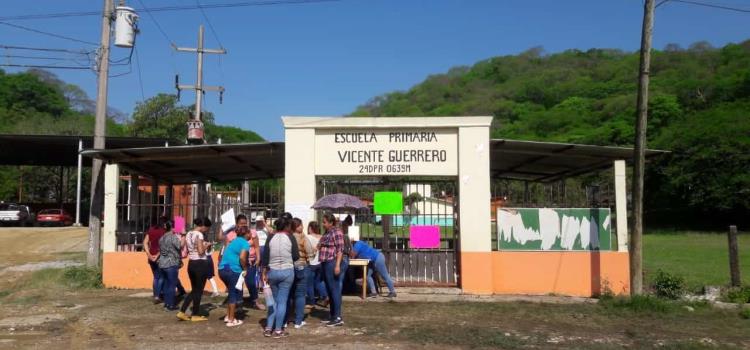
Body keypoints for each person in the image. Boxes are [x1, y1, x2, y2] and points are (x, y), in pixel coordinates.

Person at [261, 216, 299, 338]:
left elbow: (265, 257)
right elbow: (296, 256)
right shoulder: (290, 237)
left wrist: (265, 271)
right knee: (282, 302)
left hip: (272, 271)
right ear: (287, 226)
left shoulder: (270, 237)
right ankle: (278, 330)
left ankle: (268, 328)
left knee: (274, 302)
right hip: (287, 272)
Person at [177, 217, 213, 321]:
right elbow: (201, 252)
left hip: (191, 263)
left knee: (194, 290)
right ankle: (195, 314)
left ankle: (182, 311)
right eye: (207, 228)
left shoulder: (189, 233)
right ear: (203, 226)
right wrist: (207, 245)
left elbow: (191, 249)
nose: (207, 230)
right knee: (198, 290)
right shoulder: (199, 234)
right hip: (200, 263)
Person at [218, 225, 253, 327]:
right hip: (233, 270)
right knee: (233, 293)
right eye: (250, 232)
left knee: (231, 292)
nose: (251, 234)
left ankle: (228, 316)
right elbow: (242, 258)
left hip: (222, 269)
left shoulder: (234, 241)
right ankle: (231, 320)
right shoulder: (245, 243)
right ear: (246, 234)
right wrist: (245, 268)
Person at [318, 213, 345, 327]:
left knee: (334, 290)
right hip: (324, 263)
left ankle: (338, 317)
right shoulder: (327, 233)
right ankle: (333, 315)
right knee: (329, 290)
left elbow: (340, 250)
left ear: (330, 222)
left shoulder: (337, 232)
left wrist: (337, 265)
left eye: (324, 222)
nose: (323, 224)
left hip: (331, 262)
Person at [288, 217, 314, 328]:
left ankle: (288, 317)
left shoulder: (288, 237)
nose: (302, 227)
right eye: (300, 225)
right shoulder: (303, 238)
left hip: (289, 266)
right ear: (297, 227)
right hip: (302, 265)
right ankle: (298, 321)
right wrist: (311, 257)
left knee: (290, 293)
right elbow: (310, 251)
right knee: (300, 294)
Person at [157, 219, 182, 311]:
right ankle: (171, 304)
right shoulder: (173, 237)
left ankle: (166, 304)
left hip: (163, 263)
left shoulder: (162, 237)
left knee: (167, 285)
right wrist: (183, 236)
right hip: (171, 263)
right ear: (173, 227)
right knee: (172, 285)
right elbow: (179, 246)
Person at [143, 217, 167, 304]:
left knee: (156, 277)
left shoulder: (151, 229)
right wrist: (157, 255)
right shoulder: (164, 231)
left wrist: (149, 254)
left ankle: (155, 294)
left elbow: (145, 242)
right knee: (162, 277)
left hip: (151, 255)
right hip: (161, 256)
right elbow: (164, 245)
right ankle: (158, 295)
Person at [305, 221, 328, 306]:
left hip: (311, 262)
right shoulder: (322, 237)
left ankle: (311, 301)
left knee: (309, 283)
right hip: (320, 262)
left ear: (310, 228)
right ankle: (325, 296)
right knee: (319, 281)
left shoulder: (307, 237)